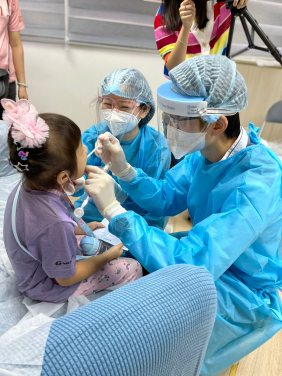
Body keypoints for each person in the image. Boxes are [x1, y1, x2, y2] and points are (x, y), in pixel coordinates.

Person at [84, 55, 282, 375]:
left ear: (217, 124)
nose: (171, 128)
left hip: (240, 291)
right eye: (170, 118)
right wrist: (125, 170)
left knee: (150, 349)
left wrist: (113, 210)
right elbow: (165, 199)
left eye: (179, 120)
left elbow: (195, 263)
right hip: (206, 255)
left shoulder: (256, 184)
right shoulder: (205, 152)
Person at [3, 99, 142, 304]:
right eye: (80, 149)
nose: (86, 150)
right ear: (62, 178)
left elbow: (36, 230)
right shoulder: (55, 223)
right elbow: (65, 278)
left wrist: (77, 229)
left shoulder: (28, 183)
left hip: (39, 257)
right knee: (132, 268)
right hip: (47, 285)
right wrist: (106, 257)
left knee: (93, 235)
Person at [73, 68, 171, 230]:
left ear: (144, 110)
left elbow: (155, 204)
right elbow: (76, 189)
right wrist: (77, 182)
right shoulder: (92, 137)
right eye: (107, 104)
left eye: (124, 107)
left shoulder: (156, 148)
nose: (114, 113)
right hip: (91, 212)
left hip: (138, 219)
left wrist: (121, 194)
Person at [155, 0, 249, 77]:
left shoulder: (223, 3)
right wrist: (186, 27)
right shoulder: (164, 16)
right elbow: (173, 68)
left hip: (219, 81)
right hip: (184, 89)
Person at [0, 0, 28, 118]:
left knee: (5, 131)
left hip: (5, 80)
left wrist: (22, 84)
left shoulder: (10, 1)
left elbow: (15, 44)